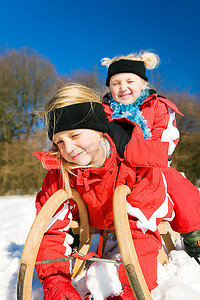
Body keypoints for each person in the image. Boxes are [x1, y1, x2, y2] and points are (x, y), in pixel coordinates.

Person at [33, 82, 174, 300]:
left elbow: (142, 235)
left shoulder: (137, 164)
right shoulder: (60, 171)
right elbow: (50, 230)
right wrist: (56, 282)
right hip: (92, 217)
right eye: (59, 141)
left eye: (75, 135)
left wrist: (131, 292)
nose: (68, 149)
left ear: (98, 127)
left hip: (132, 222)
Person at [101, 51, 200, 264]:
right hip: (113, 170)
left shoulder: (159, 106)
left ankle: (194, 238)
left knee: (182, 190)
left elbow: (164, 143)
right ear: (109, 87)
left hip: (154, 168)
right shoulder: (103, 112)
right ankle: (73, 233)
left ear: (143, 84)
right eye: (116, 83)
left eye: (130, 81)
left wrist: (134, 151)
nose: (123, 87)